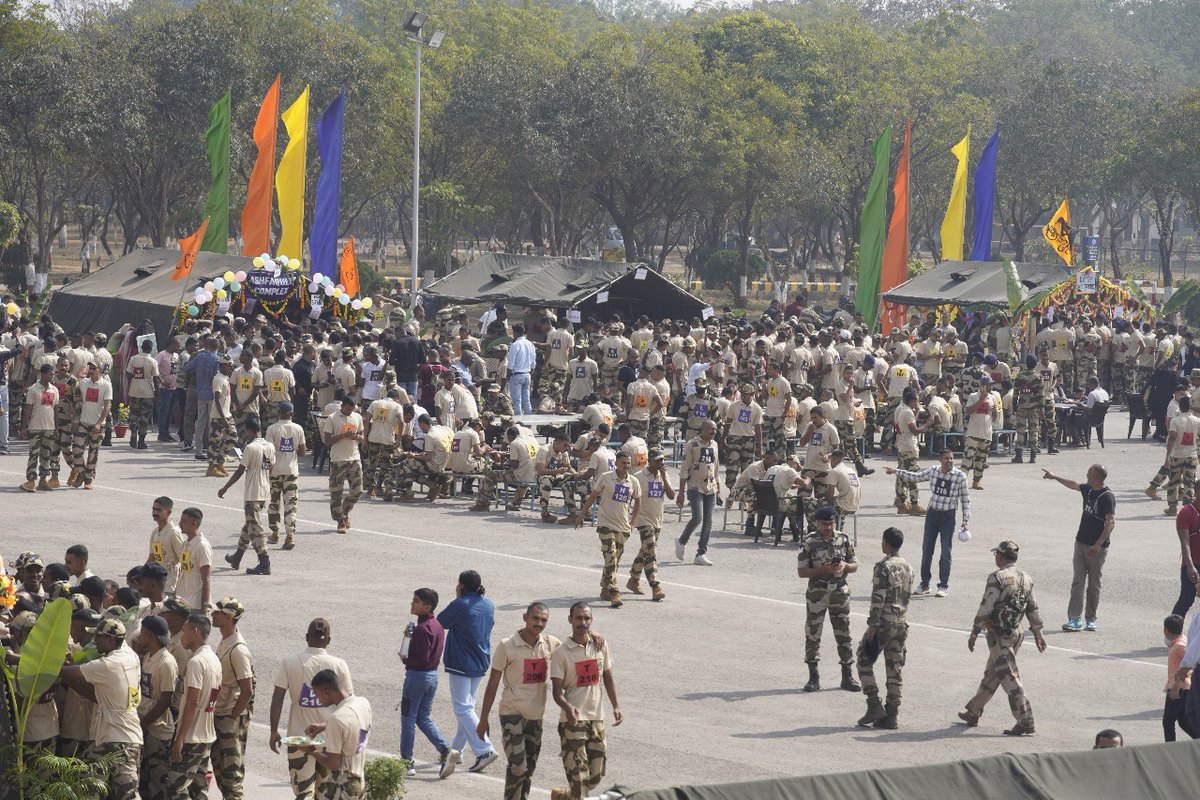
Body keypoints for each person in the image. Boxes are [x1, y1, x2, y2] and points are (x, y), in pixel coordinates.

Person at [957, 540, 1047, 736]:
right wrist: (1038, 632)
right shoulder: (1026, 578)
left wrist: (974, 632)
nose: (995, 557)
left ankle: (1025, 720)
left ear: (1002, 556)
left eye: (996, 554)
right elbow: (1032, 608)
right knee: (994, 672)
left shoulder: (997, 577)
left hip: (999, 635)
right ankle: (974, 711)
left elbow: (986, 608)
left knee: (1009, 677)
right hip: (1017, 632)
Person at [476, 602, 560, 800]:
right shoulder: (507, 645)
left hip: (536, 716)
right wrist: (483, 719)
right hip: (511, 713)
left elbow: (573, 649)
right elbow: (493, 683)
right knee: (518, 765)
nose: (539, 623)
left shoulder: (550, 644)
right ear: (525, 617)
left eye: (543, 620)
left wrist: (594, 634)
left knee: (527, 769)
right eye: (535, 618)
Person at [57, 618, 143, 800]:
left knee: (126, 794)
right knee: (89, 787)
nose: (94, 640)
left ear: (111, 640)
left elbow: (64, 672)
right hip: (108, 736)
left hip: (122, 740)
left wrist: (18, 659)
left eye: (99, 637)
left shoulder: (108, 664)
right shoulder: (129, 655)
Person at [269, 619, 356, 800]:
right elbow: (348, 704)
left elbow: (278, 697)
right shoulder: (339, 665)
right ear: (329, 640)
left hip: (299, 739)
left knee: (303, 794)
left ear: (307, 637)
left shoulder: (289, 661)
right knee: (326, 794)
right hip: (331, 740)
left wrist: (274, 731)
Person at [549, 603, 621, 800]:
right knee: (579, 779)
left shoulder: (600, 644)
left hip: (597, 718)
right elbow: (556, 692)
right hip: (572, 722)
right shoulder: (561, 653)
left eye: (587, 618)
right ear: (570, 619)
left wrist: (616, 705)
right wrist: (568, 707)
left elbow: (607, 677)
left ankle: (564, 796)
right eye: (579, 618)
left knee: (595, 775)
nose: (583, 622)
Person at [884, 449, 970, 597]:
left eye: (951, 458)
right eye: (946, 458)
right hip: (932, 515)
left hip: (948, 517)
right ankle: (925, 583)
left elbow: (965, 499)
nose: (949, 461)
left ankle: (943, 586)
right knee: (927, 550)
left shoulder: (960, 476)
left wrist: (966, 521)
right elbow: (916, 477)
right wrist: (896, 471)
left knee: (945, 552)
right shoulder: (934, 471)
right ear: (940, 460)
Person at [437, 570, 498, 775]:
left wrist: (458, 598)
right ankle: (456, 752)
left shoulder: (461, 604)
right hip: (480, 661)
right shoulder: (488, 603)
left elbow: (440, 622)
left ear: (460, 585)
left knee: (463, 709)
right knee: (468, 708)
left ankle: (484, 749)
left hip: (461, 662)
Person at [1043, 465, 1116, 632]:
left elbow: (1111, 522)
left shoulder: (1107, 497)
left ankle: (1091, 618)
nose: (1086, 476)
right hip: (1081, 543)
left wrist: (1098, 545)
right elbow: (1073, 485)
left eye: (1089, 474)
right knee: (1078, 581)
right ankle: (1074, 619)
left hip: (1097, 549)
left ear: (1096, 478)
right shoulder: (1089, 489)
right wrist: (1054, 476)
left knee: (1094, 584)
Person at [856, 527, 914, 730]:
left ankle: (873, 704)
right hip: (901, 623)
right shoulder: (908, 566)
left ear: (887, 543)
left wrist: (872, 627)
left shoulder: (883, 567)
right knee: (894, 669)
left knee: (863, 659)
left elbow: (878, 598)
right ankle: (891, 715)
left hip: (884, 623)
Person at [797, 505, 859, 693]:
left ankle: (847, 676)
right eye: (825, 524)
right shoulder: (809, 542)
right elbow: (801, 571)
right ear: (817, 523)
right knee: (813, 634)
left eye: (831, 523)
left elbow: (855, 564)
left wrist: (844, 566)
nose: (829, 527)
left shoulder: (843, 539)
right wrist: (822, 570)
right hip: (818, 594)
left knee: (844, 634)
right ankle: (813, 676)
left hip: (840, 593)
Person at [166, 613, 222, 798]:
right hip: (206, 736)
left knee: (176, 789)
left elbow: (193, 702)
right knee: (199, 790)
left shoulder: (196, 662)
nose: (181, 635)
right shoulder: (214, 659)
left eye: (184, 631)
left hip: (192, 737)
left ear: (195, 632)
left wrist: (180, 738)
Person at [399, 589, 453, 778]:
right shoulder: (436, 625)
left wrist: (405, 659)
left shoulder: (422, 629)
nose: (412, 603)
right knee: (423, 717)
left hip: (417, 677)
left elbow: (419, 658)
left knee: (408, 719)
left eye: (416, 601)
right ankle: (445, 750)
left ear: (427, 606)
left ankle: (407, 761)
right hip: (432, 676)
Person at [578, 450, 642, 608]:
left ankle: (605, 588)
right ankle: (614, 592)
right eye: (623, 463)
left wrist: (632, 523)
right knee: (611, 556)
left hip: (623, 526)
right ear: (617, 464)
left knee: (614, 561)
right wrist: (581, 514)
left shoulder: (633, 481)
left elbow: (638, 502)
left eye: (628, 463)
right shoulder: (606, 477)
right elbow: (593, 496)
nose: (626, 466)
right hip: (605, 523)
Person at [296, 669, 372, 800]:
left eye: (317, 694)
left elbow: (333, 764)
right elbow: (351, 722)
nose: (317, 699)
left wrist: (311, 750)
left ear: (326, 692)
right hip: (359, 780)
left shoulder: (336, 719)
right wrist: (324, 725)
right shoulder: (362, 703)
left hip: (342, 784)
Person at [219, 415, 276, 575]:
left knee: (255, 528)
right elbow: (270, 467)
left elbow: (239, 471)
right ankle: (237, 557)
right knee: (249, 525)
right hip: (264, 490)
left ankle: (264, 562)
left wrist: (225, 488)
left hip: (252, 492)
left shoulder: (251, 448)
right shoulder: (269, 446)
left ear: (250, 431)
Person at [209, 598, 254, 800]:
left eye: (218, 613)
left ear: (228, 617)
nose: (213, 615)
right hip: (220, 713)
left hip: (229, 717)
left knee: (232, 775)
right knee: (220, 770)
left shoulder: (238, 649)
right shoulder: (225, 641)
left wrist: (232, 718)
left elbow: (247, 690)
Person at [136, 615, 178, 798]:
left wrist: (144, 723)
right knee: (144, 780)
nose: (139, 635)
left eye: (142, 631)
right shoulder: (148, 657)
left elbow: (166, 699)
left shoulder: (167, 662)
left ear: (150, 634)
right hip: (145, 724)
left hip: (158, 730)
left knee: (157, 782)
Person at [628, 448, 674, 601]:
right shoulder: (639, 477)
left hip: (657, 519)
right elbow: (630, 498)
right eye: (657, 460)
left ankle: (633, 579)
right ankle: (655, 586)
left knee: (645, 550)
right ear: (650, 461)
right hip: (643, 519)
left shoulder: (663, 475)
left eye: (662, 460)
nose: (661, 463)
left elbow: (671, 495)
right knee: (651, 552)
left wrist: (664, 478)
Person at [674, 419, 721, 567]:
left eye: (715, 429)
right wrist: (681, 493)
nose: (714, 432)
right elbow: (684, 470)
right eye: (711, 429)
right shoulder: (692, 445)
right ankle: (682, 541)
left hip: (710, 487)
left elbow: (716, 468)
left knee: (709, 521)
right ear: (703, 429)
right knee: (697, 518)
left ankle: (701, 553)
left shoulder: (715, 445)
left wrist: (718, 490)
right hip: (695, 487)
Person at [265, 401, 307, 549]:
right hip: (291, 472)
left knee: (274, 504)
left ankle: (275, 533)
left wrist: (266, 470)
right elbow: (302, 452)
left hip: (275, 472)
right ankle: (290, 536)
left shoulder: (271, 429)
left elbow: (269, 452)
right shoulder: (298, 429)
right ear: (292, 414)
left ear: (278, 412)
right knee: (291, 504)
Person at [322, 396, 365, 534]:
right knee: (336, 492)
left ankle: (345, 511)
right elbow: (327, 440)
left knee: (358, 490)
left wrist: (356, 437)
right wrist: (343, 435)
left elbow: (362, 437)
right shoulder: (332, 418)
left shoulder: (357, 417)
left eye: (352, 410)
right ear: (342, 406)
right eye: (347, 409)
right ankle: (340, 520)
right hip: (338, 459)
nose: (349, 412)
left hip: (354, 457)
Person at [21, 363, 57, 491]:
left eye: (53, 374)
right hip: (35, 427)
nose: (52, 376)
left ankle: (43, 480)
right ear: (42, 374)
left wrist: (56, 427)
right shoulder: (33, 389)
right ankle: (31, 480)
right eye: (50, 374)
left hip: (49, 428)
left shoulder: (54, 390)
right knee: (33, 454)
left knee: (46, 455)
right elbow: (28, 408)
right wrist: (24, 426)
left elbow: (56, 409)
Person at [1162, 613, 1195, 742]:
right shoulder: (1183, 640)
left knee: (1168, 721)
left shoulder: (1180, 646)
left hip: (1178, 686)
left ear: (1166, 630)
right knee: (1183, 721)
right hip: (1183, 686)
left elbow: (1191, 663)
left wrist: (1177, 683)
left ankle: (1170, 749)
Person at [175, 507, 212, 612]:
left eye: (184, 521)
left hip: (195, 605)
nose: (180, 523)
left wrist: (204, 608)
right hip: (182, 601)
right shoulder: (184, 544)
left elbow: (206, 579)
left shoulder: (202, 546)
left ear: (194, 523)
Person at [1172, 479, 1200, 617]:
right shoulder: (1186, 512)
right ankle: (1171, 634)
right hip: (1193, 564)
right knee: (1186, 600)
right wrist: (1189, 566)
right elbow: (1185, 541)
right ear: (1197, 492)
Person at [146, 496, 184, 594]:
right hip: (158, 579)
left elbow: (183, 559)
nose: (154, 513)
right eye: (153, 509)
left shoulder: (173, 533)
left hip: (171, 580)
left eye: (159, 510)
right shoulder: (155, 532)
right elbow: (152, 557)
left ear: (169, 512)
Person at [507, 324, 537, 415]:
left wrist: (508, 375)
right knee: (527, 401)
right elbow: (533, 362)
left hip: (516, 375)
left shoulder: (515, 345)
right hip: (527, 374)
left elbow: (511, 363)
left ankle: (518, 423)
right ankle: (529, 422)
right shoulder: (530, 344)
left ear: (515, 332)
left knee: (517, 402)